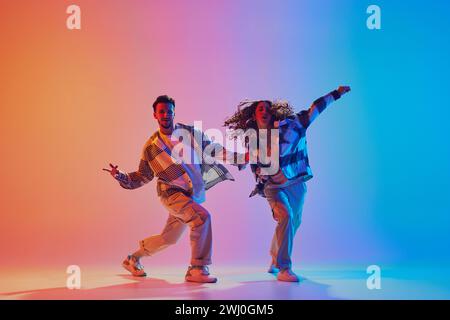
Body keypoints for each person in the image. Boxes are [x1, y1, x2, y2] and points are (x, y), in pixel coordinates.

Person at [104, 95, 238, 283]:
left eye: (169, 111)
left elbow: (212, 149)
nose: (166, 115)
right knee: (202, 218)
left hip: (191, 195)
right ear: (155, 115)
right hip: (170, 194)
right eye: (161, 112)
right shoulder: (151, 147)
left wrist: (238, 157)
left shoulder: (190, 133)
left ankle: (133, 259)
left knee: (169, 238)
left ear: (174, 113)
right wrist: (120, 176)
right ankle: (197, 268)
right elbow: (143, 176)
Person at [223, 86, 351, 282]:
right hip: (272, 187)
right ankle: (284, 268)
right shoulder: (253, 138)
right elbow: (248, 161)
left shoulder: (292, 125)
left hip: (296, 182)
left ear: (272, 112)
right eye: (260, 109)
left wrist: (336, 93)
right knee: (286, 216)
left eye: (267, 108)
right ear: (254, 115)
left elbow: (314, 110)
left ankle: (275, 258)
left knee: (293, 222)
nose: (264, 111)